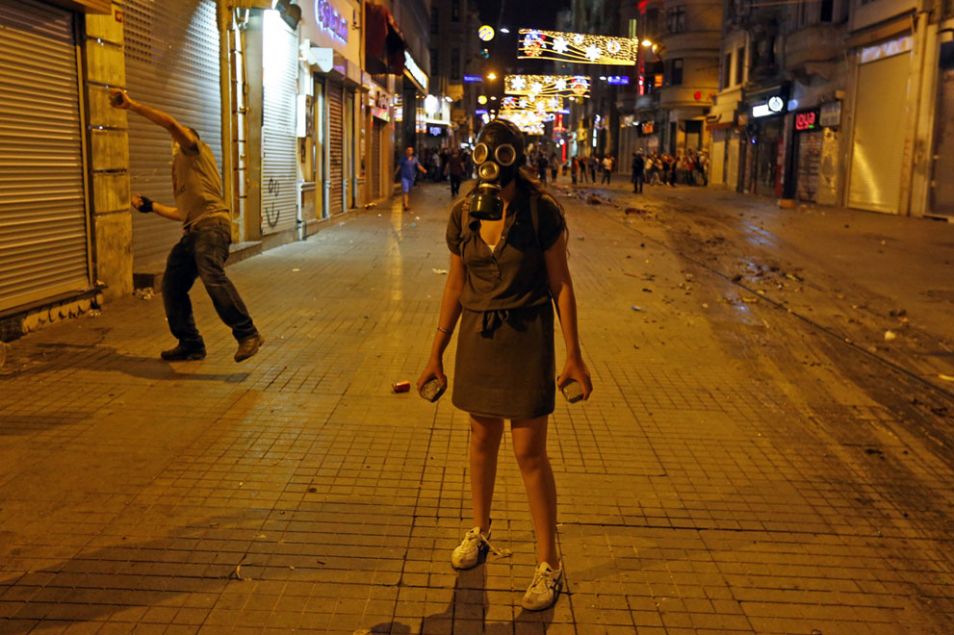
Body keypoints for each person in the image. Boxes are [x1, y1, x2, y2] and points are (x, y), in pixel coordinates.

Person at [417, 119, 592, 612]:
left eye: (501, 159)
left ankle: (549, 563)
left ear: (516, 160)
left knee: (529, 452)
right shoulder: (464, 214)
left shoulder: (542, 214)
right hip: (478, 337)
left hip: (526, 338)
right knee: (480, 438)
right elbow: (455, 284)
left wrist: (574, 353)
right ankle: (480, 531)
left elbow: (561, 284)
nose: (492, 171)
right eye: (485, 159)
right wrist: (436, 352)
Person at [109, 89, 263, 363]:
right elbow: (182, 213)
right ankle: (190, 343)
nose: (173, 146)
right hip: (193, 231)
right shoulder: (182, 172)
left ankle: (247, 333)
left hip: (213, 226)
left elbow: (169, 123)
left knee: (211, 274)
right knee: (172, 285)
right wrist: (151, 206)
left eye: (176, 141)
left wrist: (132, 105)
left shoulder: (193, 151)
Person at [395, 146, 428, 211]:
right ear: (406, 151)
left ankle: (405, 202)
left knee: (409, 191)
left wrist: (423, 170)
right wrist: (395, 173)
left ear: (412, 152)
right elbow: (399, 166)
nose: (409, 151)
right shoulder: (403, 159)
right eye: (408, 150)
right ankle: (406, 205)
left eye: (410, 150)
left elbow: (418, 165)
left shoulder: (414, 159)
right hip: (404, 177)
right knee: (405, 190)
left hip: (411, 177)